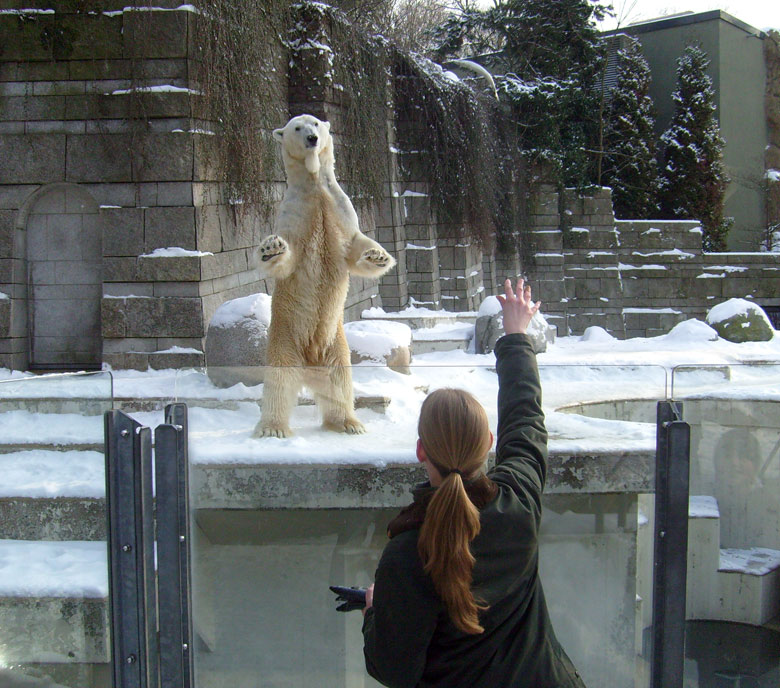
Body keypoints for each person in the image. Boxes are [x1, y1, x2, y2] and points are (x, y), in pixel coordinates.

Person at [362, 278, 586, 687]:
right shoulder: (517, 505)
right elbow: (525, 418)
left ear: (420, 451)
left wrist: (375, 611)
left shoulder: (406, 554)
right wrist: (516, 334)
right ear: (487, 444)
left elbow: (392, 668)